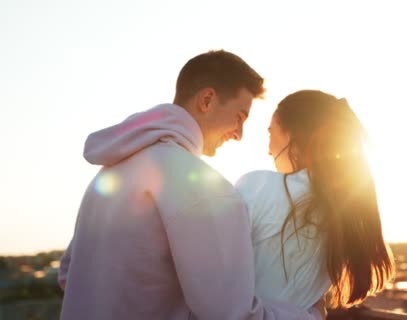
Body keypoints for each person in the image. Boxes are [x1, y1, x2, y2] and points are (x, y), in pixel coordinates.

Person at [58, 50, 324, 320]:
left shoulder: (110, 173)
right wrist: (308, 317)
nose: (239, 134)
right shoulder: (203, 188)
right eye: (240, 117)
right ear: (207, 100)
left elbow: (68, 274)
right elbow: (231, 315)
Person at [234, 90, 395, 310]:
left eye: (271, 134)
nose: (268, 150)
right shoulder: (343, 209)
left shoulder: (256, 186)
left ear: (291, 136)